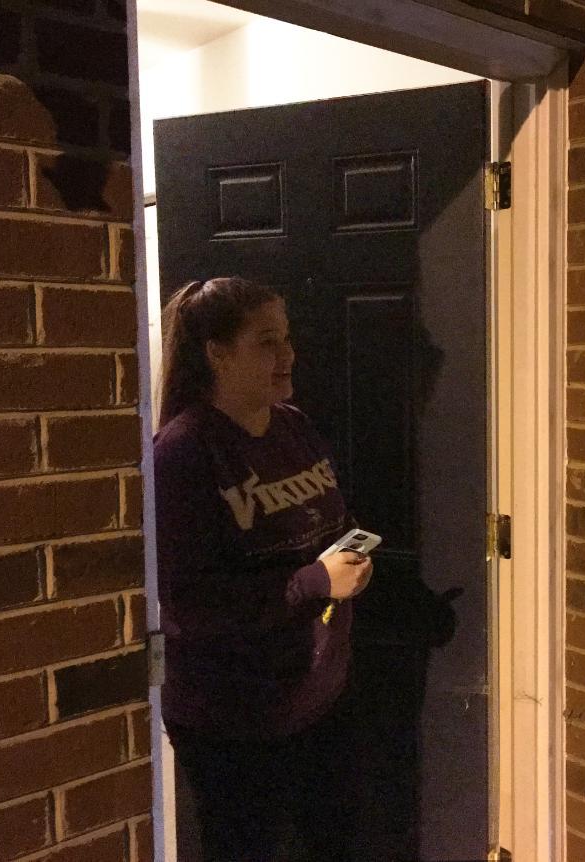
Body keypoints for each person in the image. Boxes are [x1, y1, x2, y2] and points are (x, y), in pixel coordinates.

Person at [153, 276, 374, 861]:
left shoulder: (294, 426)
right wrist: (316, 582)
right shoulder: (183, 452)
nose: (288, 355)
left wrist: (347, 557)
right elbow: (189, 605)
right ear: (216, 353)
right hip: (235, 720)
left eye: (287, 338)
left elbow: (330, 520)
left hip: (321, 696)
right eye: (267, 341)